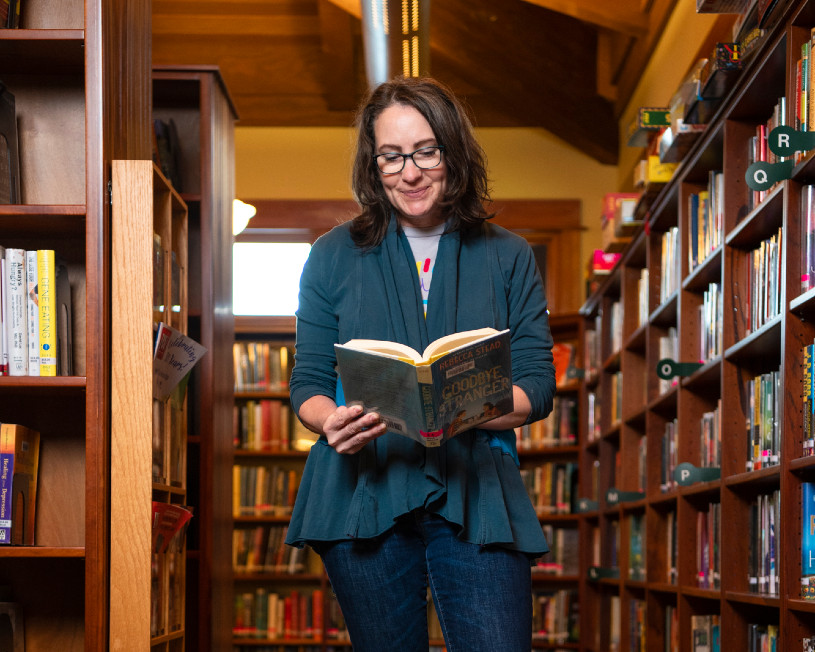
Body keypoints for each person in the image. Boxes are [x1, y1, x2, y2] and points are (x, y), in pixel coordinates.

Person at [285, 76, 556, 652]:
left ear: (453, 151)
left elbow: (537, 382)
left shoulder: (508, 254)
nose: (409, 172)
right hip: (363, 488)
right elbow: (308, 381)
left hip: (478, 488)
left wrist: (469, 406)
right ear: (373, 162)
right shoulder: (331, 254)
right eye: (391, 157)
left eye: (426, 151)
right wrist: (328, 418)